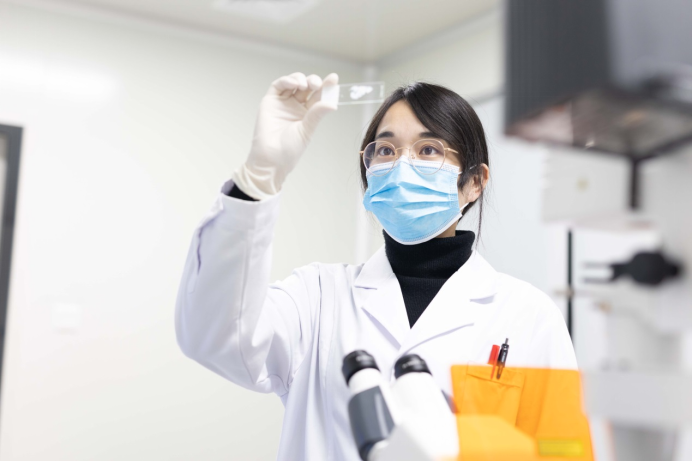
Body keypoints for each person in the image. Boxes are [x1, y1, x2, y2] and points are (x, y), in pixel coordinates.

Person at [175, 72, 577, 460]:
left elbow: (561, 451)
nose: (401, 166)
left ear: (474, 181)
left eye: (428, 150)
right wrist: (259, 176)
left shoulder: (527, 315)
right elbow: (214, 336)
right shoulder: (317, 297)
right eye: (385, 150)